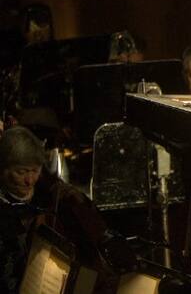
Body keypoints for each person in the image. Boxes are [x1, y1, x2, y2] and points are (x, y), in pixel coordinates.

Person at [0, 126, 135, 294]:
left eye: (34, 171)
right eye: (21, 172)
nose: (29, 180)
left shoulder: (51, 193)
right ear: (3, 169)